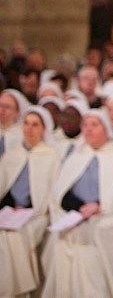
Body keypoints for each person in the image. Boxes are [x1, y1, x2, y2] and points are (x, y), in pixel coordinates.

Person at [42, 109, 113, 298]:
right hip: (74, 218)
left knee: (88, 245)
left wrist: (98, 207)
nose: (88, 130)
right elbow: (60, 194)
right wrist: (75, 212)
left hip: (104, 223)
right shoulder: (76, 157)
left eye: (94, 125)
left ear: (106, 129)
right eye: (85, 125)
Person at [0, 106, 59, 296]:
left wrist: (29, 211)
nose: (29, 129)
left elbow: (51, 194)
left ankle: (19, 292)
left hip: (37, 216)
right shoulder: (12, 154)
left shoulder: (50, 156)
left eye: (35, 125)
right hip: (8, 213)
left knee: (16, 237)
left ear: (43, 129)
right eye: (26, 124)